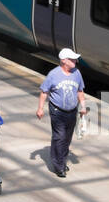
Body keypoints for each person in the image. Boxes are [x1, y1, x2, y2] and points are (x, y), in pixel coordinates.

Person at [36, 48, 87, 179]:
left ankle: (62, 161)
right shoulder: (53, 74)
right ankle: (58, 166)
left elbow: (80, 91)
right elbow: (44, 92)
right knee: (59, 137)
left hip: (72, 111)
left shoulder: (77, 73)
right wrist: (40, 109)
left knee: (67, 138)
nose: (76, 60)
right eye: (72, 59)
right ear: (64, 61)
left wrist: (83, 106)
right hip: (57, 111)